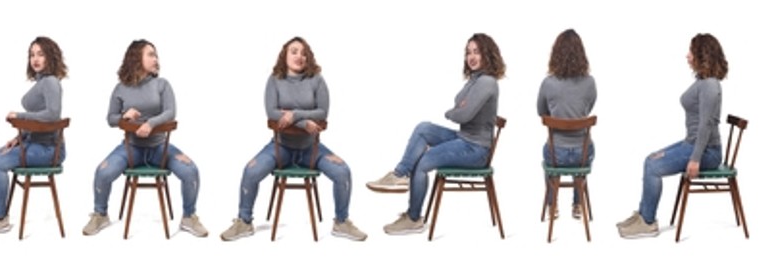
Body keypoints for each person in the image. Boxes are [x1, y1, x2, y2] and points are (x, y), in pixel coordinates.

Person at [220, 37, 364, 242]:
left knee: (343, 172)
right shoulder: (275, 80)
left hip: (311, 148)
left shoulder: (317, 79)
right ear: (284, 55)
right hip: (281, 147)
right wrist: (305, 122)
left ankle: (341, 222)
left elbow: (322, 113)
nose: (300, 56)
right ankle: (244, 222)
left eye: (304, 53)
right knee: (250, 171)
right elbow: (271, 112)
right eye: (294, 51)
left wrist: (294, 115)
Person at [365, 33, 504, 236]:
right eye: (468, 52)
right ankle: (400, 174)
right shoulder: (475, 81)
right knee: (423, 128)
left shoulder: (487, 83)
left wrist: (454, 111)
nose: (471, 57)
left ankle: (414, 218)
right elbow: (461, 106)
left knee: (422, 161)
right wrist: (460, 108)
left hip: (476, 149)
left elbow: (462, 114)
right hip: (464, 139)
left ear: (487, 54)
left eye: (477, 52)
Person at [85, 39, 209, 238]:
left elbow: (170, 112)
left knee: (191, 171)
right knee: (102, 172)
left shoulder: (162, 84)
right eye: (150, 54)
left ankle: (189, 217)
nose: (156, 59)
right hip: (130, 147)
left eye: (156, 55)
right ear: (136, 58)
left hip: (159, 147)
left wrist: (150, 124)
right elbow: (110, 119)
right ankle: (100, 214)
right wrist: (124, 116)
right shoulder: (121, 88)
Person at [619, 33, 728, 239]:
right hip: (693, 143)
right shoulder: (703, 81)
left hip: (707, 152)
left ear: (702, 55)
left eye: (691, 52)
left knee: (653, 167)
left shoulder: (710, 86)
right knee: (651, 158)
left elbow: (705, 125)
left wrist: (695, 159)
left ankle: (648, 223)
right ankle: (643, 214)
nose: (687, 56)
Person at [0, 36, 67, 235]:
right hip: (34, 143)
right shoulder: (41, 82)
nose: (35, 59)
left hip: (49, 150)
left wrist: (20, 115)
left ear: (50, 57)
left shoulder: (51, 82)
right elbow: (39, 121)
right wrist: (20, 138)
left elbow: (52, 115)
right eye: (32, 55)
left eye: (40, 54)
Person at [536, 29, 598, 221]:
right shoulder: (590, 82)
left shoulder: (548, 83)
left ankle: (551, 205)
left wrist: (558, 116)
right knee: (583, 153)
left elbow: (541, 112)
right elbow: (587, 109)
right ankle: (578, 204)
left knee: (548, 156)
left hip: (557, 154)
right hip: (582, 153)